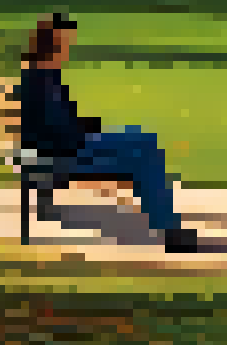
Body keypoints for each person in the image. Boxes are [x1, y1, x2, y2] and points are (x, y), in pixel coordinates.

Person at [15, 14, 202, 253]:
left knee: (143, 142)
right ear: (53, 45)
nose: (68, 49)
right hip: (64, 156)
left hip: (64, 149)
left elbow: (56, 124)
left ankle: (170, 227)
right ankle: (171, 232)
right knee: (143, 153)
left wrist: (86, 125)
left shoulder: (42, 74)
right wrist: (87, 129)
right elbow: (59, 132)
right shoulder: (41, 79)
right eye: (65, 43)